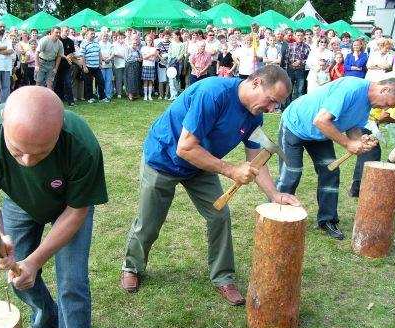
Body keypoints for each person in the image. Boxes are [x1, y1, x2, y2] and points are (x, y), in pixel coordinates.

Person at [120, 65, 300, 306]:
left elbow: (255, 157)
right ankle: (132, 266)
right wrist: (231, 170)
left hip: (199, 164)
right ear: (256, 82)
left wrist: (274, 194)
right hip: (163, 158)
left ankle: (223, 277)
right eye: (271, 100)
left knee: (220, 216)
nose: (271, 108)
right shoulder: (213, 93)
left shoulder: (255, 115)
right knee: (149, 221)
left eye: (275, 104)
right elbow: (184, 148)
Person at [0, 86, 107, 328]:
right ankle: (47, 318)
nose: (27, 162)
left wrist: (35, 260)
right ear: (3, 122)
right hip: (20, 200)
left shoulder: (82, 145)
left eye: (41, 153)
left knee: (71, 284)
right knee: (16, 272)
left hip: (69, 206)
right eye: (17, 151)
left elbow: (76, 211)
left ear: (59, 132)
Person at [277, 77, 395, 240]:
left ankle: (327, 220)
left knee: (331, 173)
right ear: (385, 90)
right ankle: (277, 215)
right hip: (295, 125)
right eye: (387, 104)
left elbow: (354, 127)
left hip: (319, 135)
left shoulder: (368, 104)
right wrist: (348, 144)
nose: (385, 108)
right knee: (291, 174)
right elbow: (320, 120)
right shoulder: (351, 88)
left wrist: (359, 141)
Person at [284, 29, 310, 103]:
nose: (299, 37)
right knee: (289, 89)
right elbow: (286, 58)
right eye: (298, 35)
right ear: (295, 35)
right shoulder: (290, 46)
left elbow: (308, 59)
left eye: (301, 35)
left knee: (300, 90)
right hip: (290, 70)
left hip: (300, 70)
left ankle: (299, 106)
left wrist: (300, 62)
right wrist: (287, 69)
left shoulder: (307, 47)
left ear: (304, 36)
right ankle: (287, 107)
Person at [80, 28, 106, 103]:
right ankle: (90, 98)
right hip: (88, 66)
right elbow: (82, 56)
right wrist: (84, 66)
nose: (93, 35)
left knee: (101, 81)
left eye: (93, 34)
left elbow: (99, 53)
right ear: (86, 35)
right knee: (88, 83)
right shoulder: (83, 44)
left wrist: (100, 63)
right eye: (91, 34)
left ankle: (102, 97)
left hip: (96, 66)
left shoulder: (96, 43)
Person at [56, 26, 75, 106]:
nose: (67, 32)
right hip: (57, 65)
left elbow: (72, 52)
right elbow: (57, 53)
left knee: (68, 82)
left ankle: (71, 101)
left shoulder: (70, 41)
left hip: (66, 66)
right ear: (61, 31)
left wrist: (70, 56)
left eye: (68, 31)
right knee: (58, 83)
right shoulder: (57, 40)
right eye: (65, 31)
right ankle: (58, 101)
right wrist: (66, 57)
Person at [141, 34, 158, 101]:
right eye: (148, 40)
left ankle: (149, 95)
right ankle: (145, 95)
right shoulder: (143, 48)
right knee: (145, 81)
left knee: (151, 81)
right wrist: (151, 54)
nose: (149, 41)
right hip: (145, 65)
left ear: (152, 41)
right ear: (145, 40)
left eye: (150, 40)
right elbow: (144, 57)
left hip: (152, 65)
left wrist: (149, 56)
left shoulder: (154, 48)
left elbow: (154, 59)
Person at [99, 31, 114, 102]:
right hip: (102, 65)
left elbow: (113, 53)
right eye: (103, 36)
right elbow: (98, 53)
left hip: (109, 65)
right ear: (101, 36)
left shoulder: (110, 44)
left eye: (106, 36)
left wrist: (109, 58)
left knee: (109, 80)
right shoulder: (98, 44)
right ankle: (101, 95)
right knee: (102, 81)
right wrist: (103, 59)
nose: (105, 37)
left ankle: (108, 95)